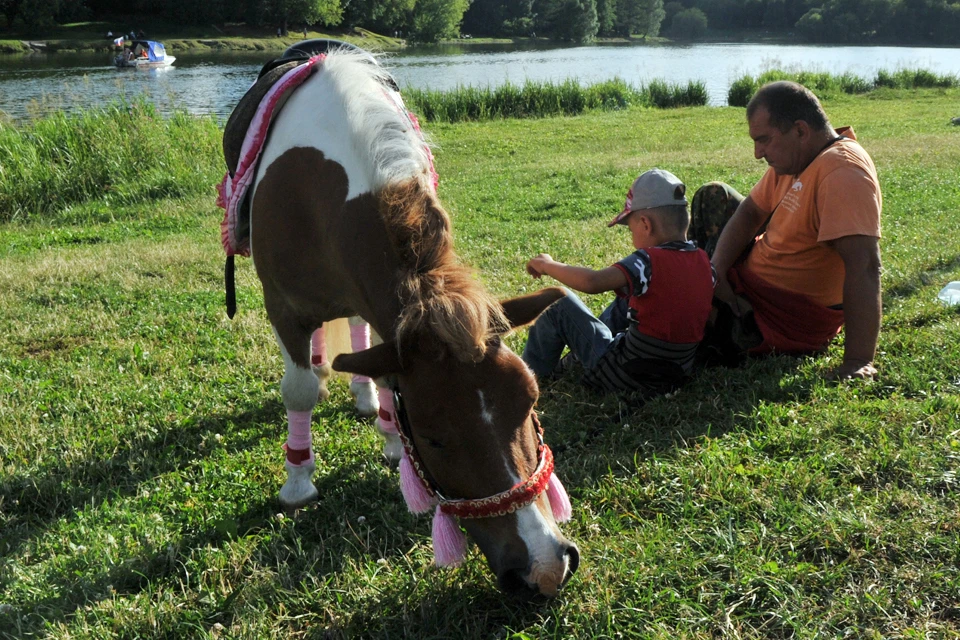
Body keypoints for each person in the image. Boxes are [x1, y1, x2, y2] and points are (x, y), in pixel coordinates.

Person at [691, 81, 882, 380]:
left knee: (671, 311)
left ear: (801, 131)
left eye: (764, 140)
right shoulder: (799, 159)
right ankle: (704, 278)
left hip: (780, 318)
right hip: (748, 286)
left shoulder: (843, 173)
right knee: (713, 195)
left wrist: (858, 360)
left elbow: (866, 266)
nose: (757, 153)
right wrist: (717, 270)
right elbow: (752, 210)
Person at [523, 169, 716, 396]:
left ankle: (525, 376)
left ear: (645, 224)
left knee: (556, 301)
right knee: (626, 301)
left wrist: (547, 265)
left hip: (627, 374)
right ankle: (577, 358)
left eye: (631, 228)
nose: (632, 237)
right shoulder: (706, 264)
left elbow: (593, 281)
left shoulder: (647, 262)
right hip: (674, 372)